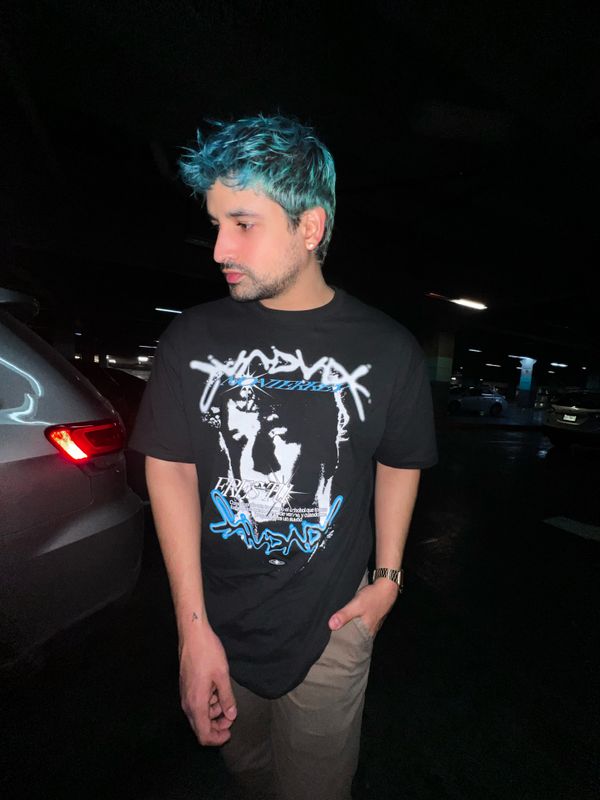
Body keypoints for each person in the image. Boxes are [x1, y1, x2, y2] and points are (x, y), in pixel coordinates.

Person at [130, 115, 437, 800]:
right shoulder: (191, 338)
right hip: (217, 619)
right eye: (216, 224)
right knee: (247, 771)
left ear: (310, 227)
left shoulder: (388, 350)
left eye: (243, 224)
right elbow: (171, 466)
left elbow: (400, 459)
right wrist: (191, 632)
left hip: (333, 627)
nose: (219, 248)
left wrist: (388, 577)